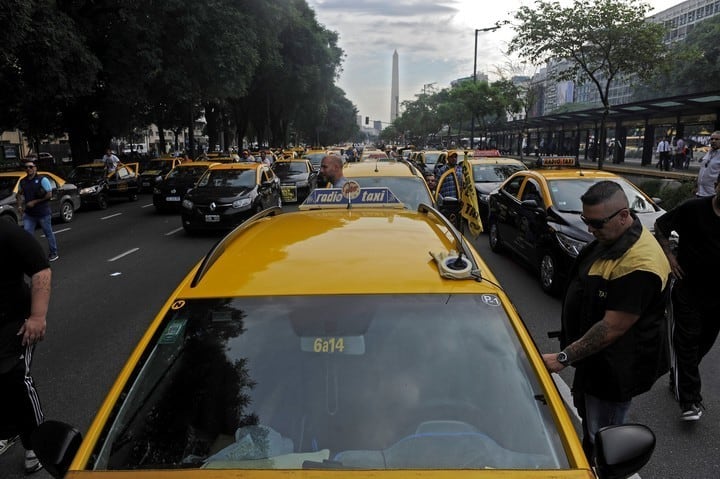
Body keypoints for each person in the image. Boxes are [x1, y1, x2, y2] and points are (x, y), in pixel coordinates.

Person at [542, 181, 671, 462]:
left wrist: (563, 357)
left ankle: (600, 466)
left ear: (623, 215)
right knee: (591, 425)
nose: (590, 229)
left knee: (606, 438)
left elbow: (612, 327)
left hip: (614, 371)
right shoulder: (612, 237)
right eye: (586, 221)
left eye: (597, 223)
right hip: (596, 364)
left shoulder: (640, 264)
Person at [654, 173, 720, 421]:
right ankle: (690, 401)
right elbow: (661, 227)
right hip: (688, 289)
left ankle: (678, 377)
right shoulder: (694, 209)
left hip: (717, 296)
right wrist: (670, 258)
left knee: (704, 342)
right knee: (687, 341)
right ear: (716, 186)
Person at [0, 220, 51, 473]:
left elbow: (41, 271)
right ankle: (7, 431)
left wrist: (38, 317)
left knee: (15, 378)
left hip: (15, 323)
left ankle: (37, 443)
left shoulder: (8, 233)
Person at [17, 162, 59, 262]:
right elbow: (18, 195)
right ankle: (30, 255)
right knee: (27, 235)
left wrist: (34, 202)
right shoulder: (23, 181)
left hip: (43, 213)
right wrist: (19, 206)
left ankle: (54, 253)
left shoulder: (42, 180)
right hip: (29, 214)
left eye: (31, 167)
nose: (28, 169)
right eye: (26, 167)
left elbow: (49, 194)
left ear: (35, 168)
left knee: (48, 233)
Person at [695, 131, 720, 197]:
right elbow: (703, 169)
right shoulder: (709, 152)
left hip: (712, 195)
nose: (713, 141)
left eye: (717, 139)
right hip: (700, 192)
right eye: (712, 139)